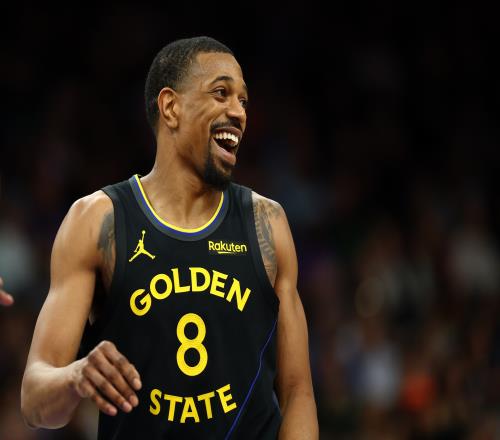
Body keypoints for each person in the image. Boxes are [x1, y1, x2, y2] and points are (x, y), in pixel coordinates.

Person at [21, 36, 318, 439]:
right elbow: (35, 400)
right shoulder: (98, 221)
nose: (238, 112)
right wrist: (76, 376)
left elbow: (298, 391)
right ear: (171, 107)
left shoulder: (267, 223)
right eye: (221, 93)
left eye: (243, 101)